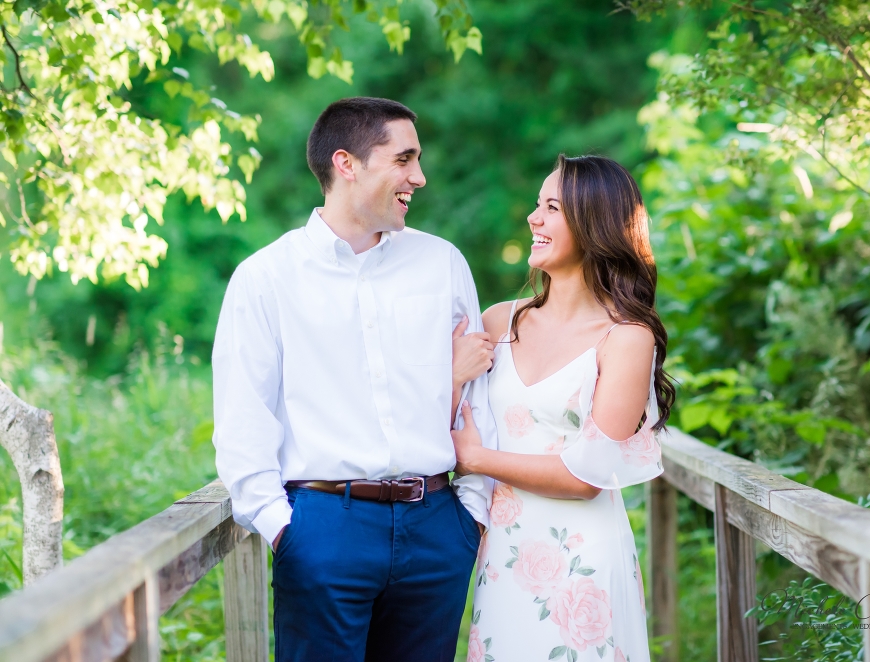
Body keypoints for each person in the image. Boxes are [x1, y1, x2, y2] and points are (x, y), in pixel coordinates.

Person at [212, 96, 498, 662]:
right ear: (347, 164)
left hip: (437, 526)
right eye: (403, 159)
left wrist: (471, 514)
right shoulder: (266, 278)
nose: (419, 176)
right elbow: (245, 416)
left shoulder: (442, 263)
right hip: (323, 528)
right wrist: (283, 530)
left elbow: (479, 396)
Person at [451, 154, 676, 662]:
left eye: (551, 207)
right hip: (504, 552)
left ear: (593, 224)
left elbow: (586, 477)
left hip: (584, 559)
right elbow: (441, 412)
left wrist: (477, 459)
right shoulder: (496, 322)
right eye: (537, 204)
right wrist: (451, 375)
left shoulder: (626, 338)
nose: (534, 218)